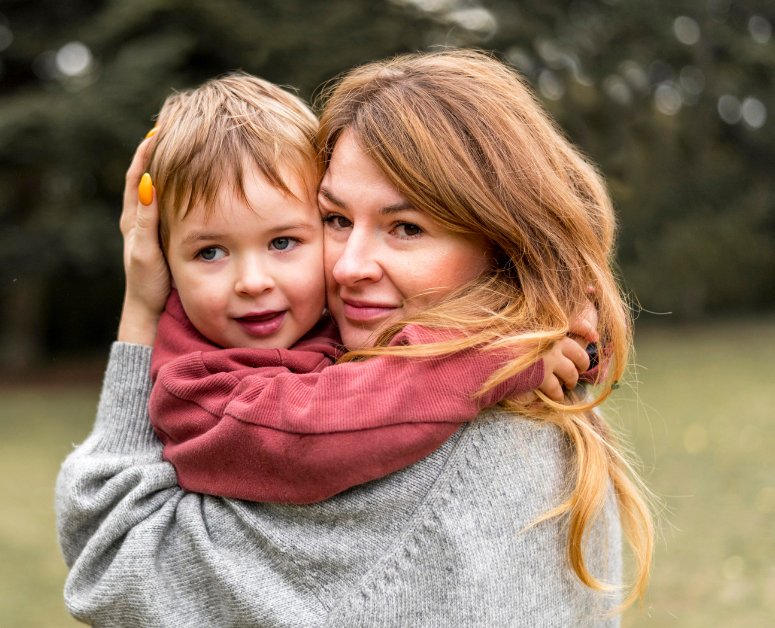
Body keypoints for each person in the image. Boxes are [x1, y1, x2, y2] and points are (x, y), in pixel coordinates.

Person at [56, 50, 653, 627]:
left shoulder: (462, 451)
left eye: (406, 228)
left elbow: (114, 565)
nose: (347, 267)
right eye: (338, 219)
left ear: (503, 239)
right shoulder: (526, 383)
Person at [142, 72, 594, 503]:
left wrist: (573, 336)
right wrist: (498, 358)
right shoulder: (192, 384)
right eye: (338, 219)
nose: (254, 282)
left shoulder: (314, 325)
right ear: (162, 258)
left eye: (283, 241)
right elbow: (307, 432)